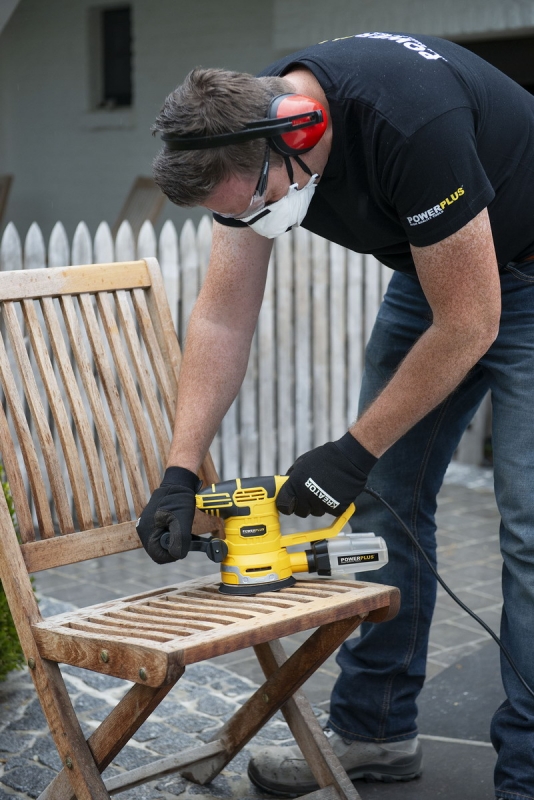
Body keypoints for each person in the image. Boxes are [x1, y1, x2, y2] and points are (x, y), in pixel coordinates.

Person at [137, 31, 534, 800]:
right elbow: (222, 317)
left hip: (519, 268)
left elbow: (470, 322)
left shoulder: (409, 122)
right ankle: (374, 731)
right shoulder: (238, 133)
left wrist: (353, 451)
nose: (257, 222)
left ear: (301, 130)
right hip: (434, 266)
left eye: (258, 206)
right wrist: (180, 470)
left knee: (528, 527)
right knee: (386, 504)